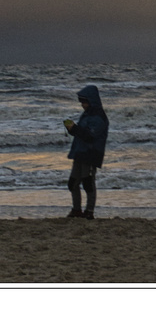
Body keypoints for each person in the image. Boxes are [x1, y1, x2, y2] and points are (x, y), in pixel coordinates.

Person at [62, 84, 109, 219]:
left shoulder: (100, 117)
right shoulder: (87, 114)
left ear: (91, 101)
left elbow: (90, 136)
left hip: (91, 153)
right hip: (80, 152)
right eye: (81, 101)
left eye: (84, 101)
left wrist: (75, 129)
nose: (82, 104)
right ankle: (77, 210)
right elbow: (82, 134)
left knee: (88, 182)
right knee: (73, 183)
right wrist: (72, 129)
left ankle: (89, 211)